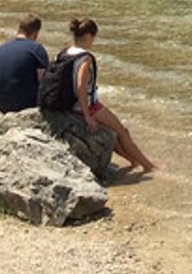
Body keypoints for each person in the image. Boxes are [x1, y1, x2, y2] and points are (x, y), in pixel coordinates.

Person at [61, 17, 158, 173]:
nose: (93, 41)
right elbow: (80, 86)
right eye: (93, 38)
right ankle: (149, 166)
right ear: (89, 37)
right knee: (122, 131)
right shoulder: (84, 58)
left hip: (68, 105)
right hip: (87, 107)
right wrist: (87, 117)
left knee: (112, 133)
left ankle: (134, 161)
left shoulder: (64, 53)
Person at [0, 14, 48, 113]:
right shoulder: (36, 49)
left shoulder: (2, 48)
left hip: (1, 102)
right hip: (25, 104)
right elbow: (44, 81)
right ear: (36, 33)